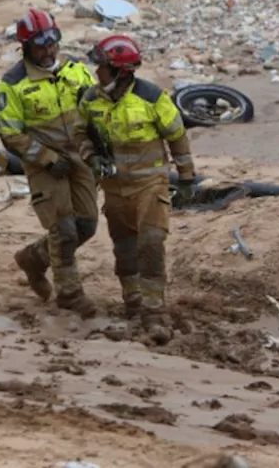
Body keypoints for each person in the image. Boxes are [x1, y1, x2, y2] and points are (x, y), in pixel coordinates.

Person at [78, 34, 197, 344]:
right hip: (115, 187)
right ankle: (133, 303)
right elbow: (82, 136)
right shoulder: (90, 100)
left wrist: (186, 178)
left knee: (151, 242)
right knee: (124, 246)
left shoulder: (153, 98)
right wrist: (90, 158)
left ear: (119, 70)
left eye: (101, 67)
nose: (96, 73)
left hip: (150, 185)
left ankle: (155, 311)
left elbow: (177, 137)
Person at [0, 9, 100, 318]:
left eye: (52, 42)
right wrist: (46, 158)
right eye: (40, 45)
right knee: (64, 228)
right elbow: (10, 133)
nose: (48, 50)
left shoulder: (77, 71)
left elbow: (95, 111)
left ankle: (34, 258)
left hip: (81, 158)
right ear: (25, 47)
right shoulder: (13, 84)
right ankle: (70, 294)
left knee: (86, 226)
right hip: (44, 163)